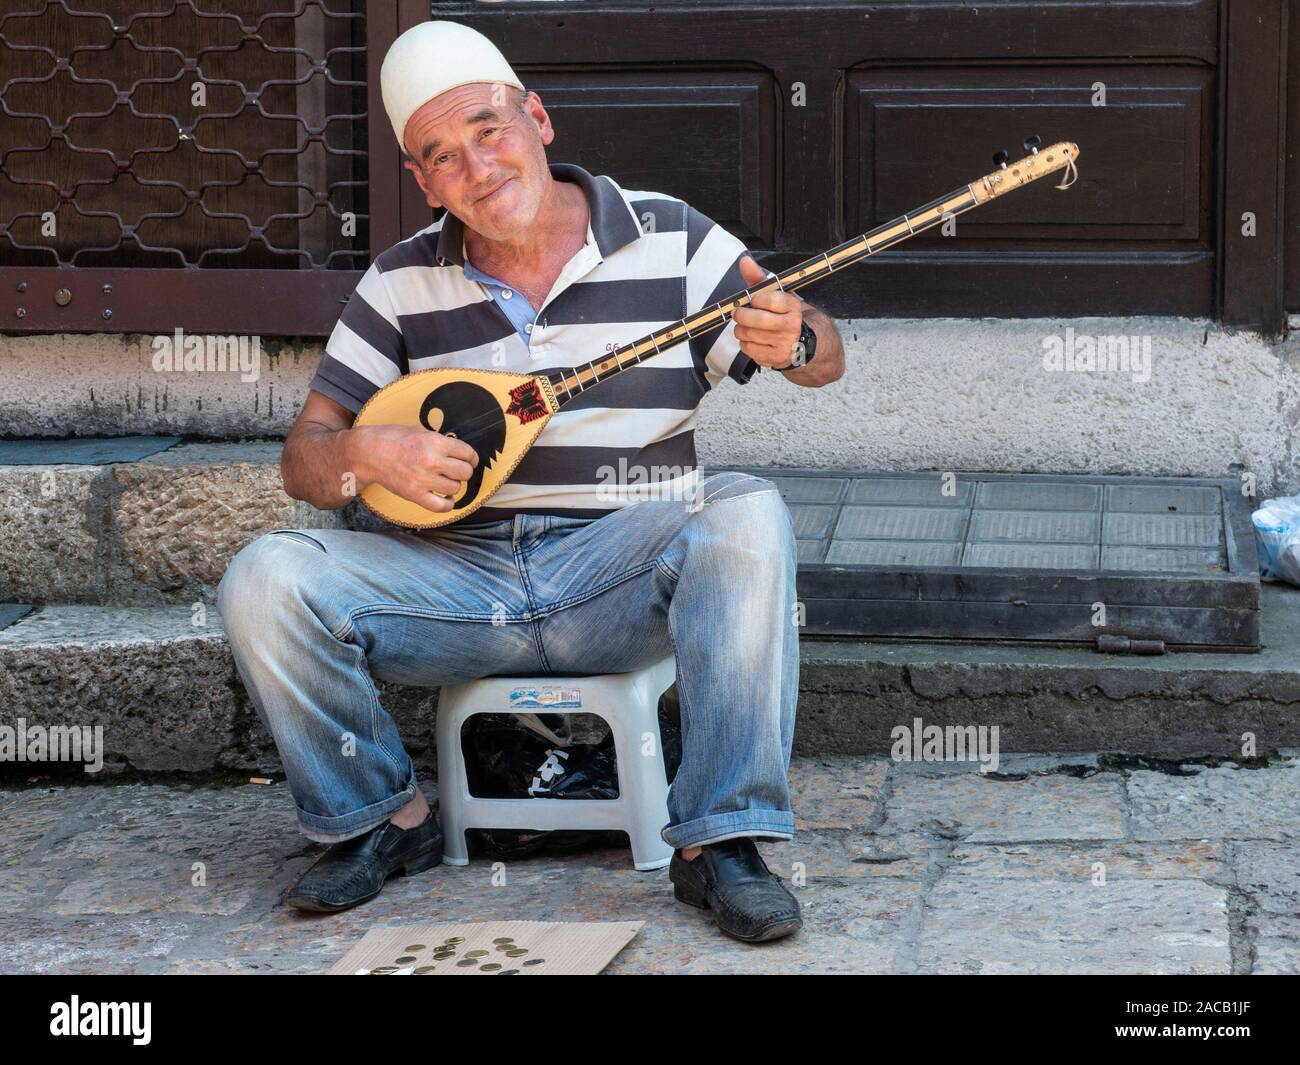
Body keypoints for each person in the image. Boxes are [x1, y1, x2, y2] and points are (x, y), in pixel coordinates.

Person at [217, 20, 845, 943]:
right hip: (453, 586)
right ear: (423, 182)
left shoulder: (668, 236)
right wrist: (366, 454)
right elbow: (303, 459)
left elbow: (825, 355)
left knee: (746, 511)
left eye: (489, 128)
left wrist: (793, 339)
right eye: (441, 155)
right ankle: (383, 822)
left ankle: (722, 843)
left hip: (617, 571)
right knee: (265, 577)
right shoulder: (397, 286)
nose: (475, 164)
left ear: (538, 120)